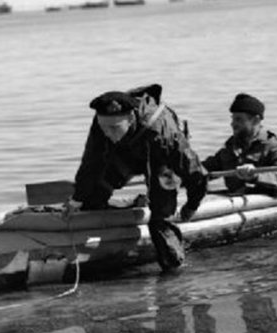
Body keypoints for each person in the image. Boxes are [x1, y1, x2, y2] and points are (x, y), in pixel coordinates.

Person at [69, 90, 208, 271]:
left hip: (160, 157)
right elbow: (91, 162)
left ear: (130, 119)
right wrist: (77, 199)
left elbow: (194, 172)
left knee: (161, 217)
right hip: (126, 152)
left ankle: (174, 268)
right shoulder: (101, 124)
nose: (108, 134)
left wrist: (191, 205)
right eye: (105, 128)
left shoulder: (162, 132)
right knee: (93, 193)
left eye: (114, 128)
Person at [201, 92, 277, 196]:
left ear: (255, 120)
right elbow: (207, 169)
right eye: (232, 119)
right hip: (236, 201)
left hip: (267, 203)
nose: (232, 124)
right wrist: (186, 172)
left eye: (238, 119)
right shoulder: (231, 146)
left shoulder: (272, 145)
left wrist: (255, 176)